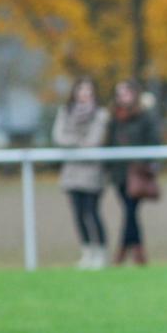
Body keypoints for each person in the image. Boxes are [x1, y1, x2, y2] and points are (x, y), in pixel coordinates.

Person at [52, 77, 110, 269]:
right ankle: (87, 252)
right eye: (81, 90)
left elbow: (95, 140)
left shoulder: (100, 114)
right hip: (71, 172)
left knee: (92, 212)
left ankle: (101, 252)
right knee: (77, 214)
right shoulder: (65, 111)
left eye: (88, 90)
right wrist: (79, 141)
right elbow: (59, 137)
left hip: (92, 172)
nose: (84, 94)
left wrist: (74, 141)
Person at [107, 79, 161, 265]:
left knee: (130, 211)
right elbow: (109, 143)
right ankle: (136, 251)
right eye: (119, 94)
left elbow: (153, 141)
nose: (123, 97)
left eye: (126, 93)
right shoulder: (114, 118)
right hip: (119, 173)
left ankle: (125, 254)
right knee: (130, 213)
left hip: (138, 173)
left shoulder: (145, 117)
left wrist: (143, 163)